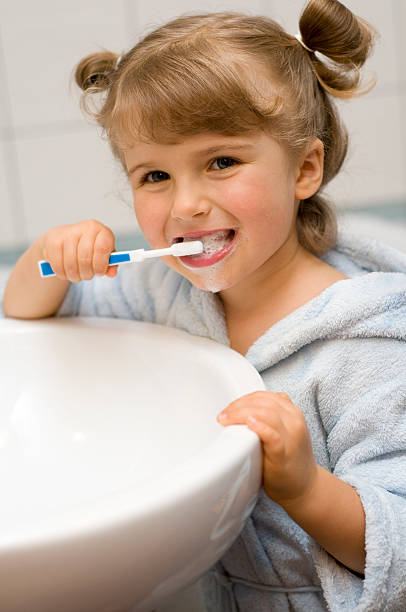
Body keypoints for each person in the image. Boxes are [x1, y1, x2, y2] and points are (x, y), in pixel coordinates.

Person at [3, 1, 406, 610]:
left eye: (222, 162)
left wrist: (305, 488)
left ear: (305, 168)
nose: (185, 204)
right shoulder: (164, 291)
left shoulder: (366, 348)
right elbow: (28, 319)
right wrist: (49, 258)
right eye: (154, 176)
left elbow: (397, 549)